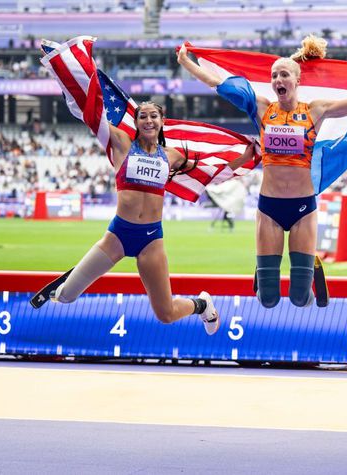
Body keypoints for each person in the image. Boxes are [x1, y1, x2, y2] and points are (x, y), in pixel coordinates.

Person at [177, 36, 347, 309]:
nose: (278, 79)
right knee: (267, 299)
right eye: (274, 75)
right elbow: (217, 83)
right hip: (269, 209)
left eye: (284, 74)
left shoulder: (316, 110)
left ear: (297, 81)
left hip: (303, 208)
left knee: (300, 298)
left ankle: (312, 265)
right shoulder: (262, 107)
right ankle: (265, 271)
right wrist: (186, 62)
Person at [32, 100, 256, 336]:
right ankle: (74, 277)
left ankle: (202, 305)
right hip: (118, 235)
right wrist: (66, 69)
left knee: (166, 314)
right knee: (66, 296)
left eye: (153, 116)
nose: (149, 121)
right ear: (136, 122)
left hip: (150, 239)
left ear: (162, 121)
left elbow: (207, 175)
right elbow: (91, 115)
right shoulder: (121, 143)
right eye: (143, 117)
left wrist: (245, 158)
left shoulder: (172, 156)